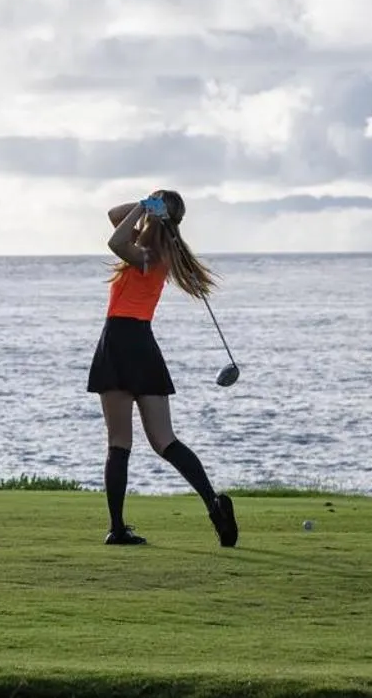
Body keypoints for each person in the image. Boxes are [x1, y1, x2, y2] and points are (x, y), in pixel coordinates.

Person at [85, 188, 237, 548]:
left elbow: (113, 240)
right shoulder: (152, 244)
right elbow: (113, 214)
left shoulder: (149, 254)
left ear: (158, 216)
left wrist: (145, 206)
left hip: (122, 341)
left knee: (133, 442)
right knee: (150, 442)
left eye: (153, 208)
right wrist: (148, 205)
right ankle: (210, 508)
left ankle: (120, 527)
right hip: (135, 343)